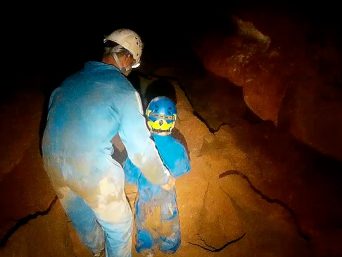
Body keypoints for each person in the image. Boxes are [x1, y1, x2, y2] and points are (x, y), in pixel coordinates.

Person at [41, 28, 175, 257]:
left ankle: (95, 248)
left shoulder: (68, 82)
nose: (129, 71)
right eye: (131, 65)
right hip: (89, 170)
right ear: (125, 57)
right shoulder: (123, 90)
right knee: (120, 225)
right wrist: (163, 178)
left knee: (80, 212)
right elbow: (141, 150)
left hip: (51, 161)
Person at [123, 96, 191, 257]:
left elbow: (130, 176)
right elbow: (183, 170)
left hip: (145, 196)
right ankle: (169, 248)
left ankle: (147, 249)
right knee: (169, 221)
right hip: (167, 196)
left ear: (148, 117)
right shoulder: (178, 148)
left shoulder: (140, 147)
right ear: (172, 120)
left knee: (143, 221)